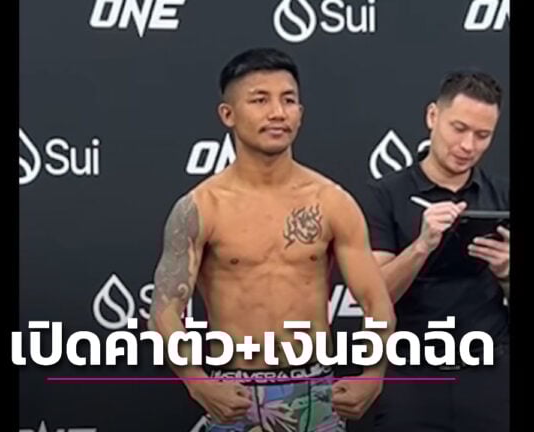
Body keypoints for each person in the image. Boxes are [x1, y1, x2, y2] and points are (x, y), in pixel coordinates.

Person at [147, 47, 396, 432]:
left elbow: (375, 301)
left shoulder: (332, 202)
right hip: (232, 393)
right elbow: (164, 311)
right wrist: (198, 382)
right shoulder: (200, 208)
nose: (278, 112)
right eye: (260, 100)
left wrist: (373, 374)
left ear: (301, 113)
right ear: (228, 114)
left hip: (314, 391)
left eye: (288, 100)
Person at [365, 71, 510, 431]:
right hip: (411, 373)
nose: (468, 145)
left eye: (482, 135)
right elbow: (375, 296)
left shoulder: (503, 196)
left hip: (489, 374)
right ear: (433, 116)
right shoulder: (384, 196)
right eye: (458, 129)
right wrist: (422, 246)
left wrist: (507, 273)